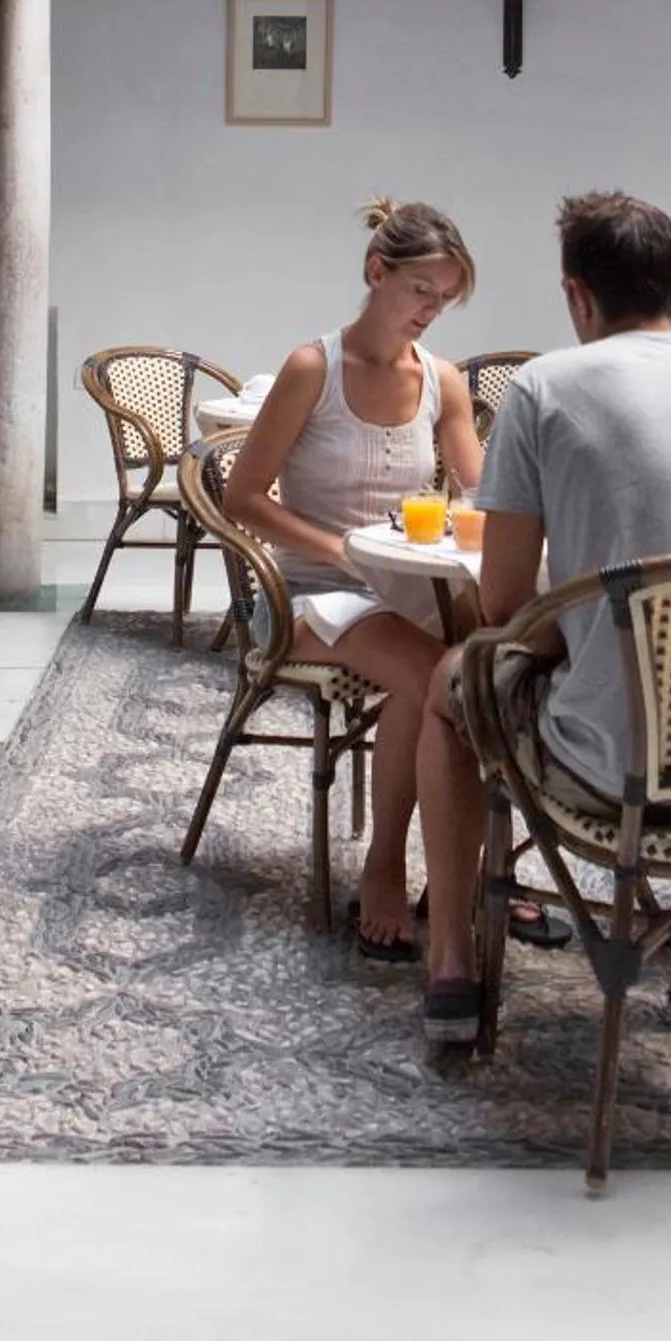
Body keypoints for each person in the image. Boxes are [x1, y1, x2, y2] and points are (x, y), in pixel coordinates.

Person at [415, 189, 671, 1046]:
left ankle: (452, 962)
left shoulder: (542, 387)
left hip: (613, 777)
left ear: (577, 296)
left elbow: (503, 609)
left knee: (449, 682)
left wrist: (573, 625)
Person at [224, 198, 484, 958]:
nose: (432, 311)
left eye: (445, 298)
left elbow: (477, 493)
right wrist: (338, 549)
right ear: (378, 273)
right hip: (306, 592)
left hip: (403, 590)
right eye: (421, 292)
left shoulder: (443, 382)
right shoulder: (315, 369)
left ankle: (459, 870)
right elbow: (241, 498)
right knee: (432, 675)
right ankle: (383, 868)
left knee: (492, 662)